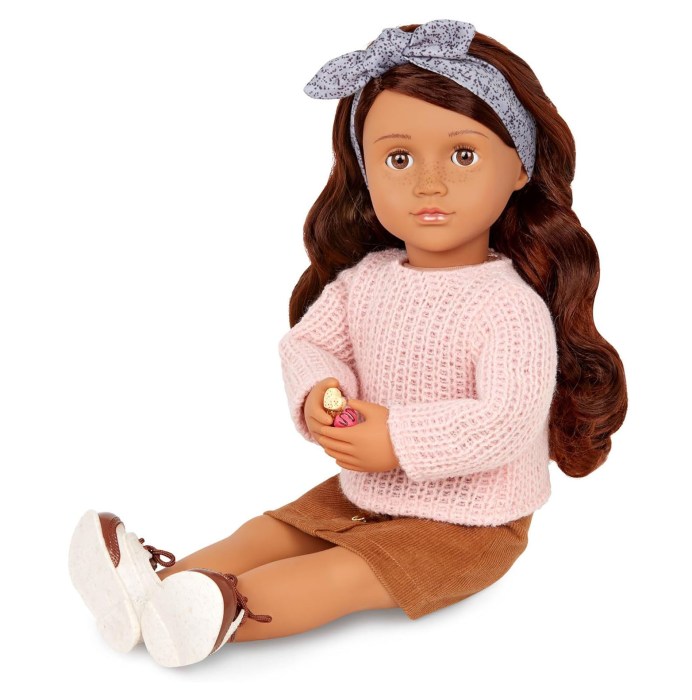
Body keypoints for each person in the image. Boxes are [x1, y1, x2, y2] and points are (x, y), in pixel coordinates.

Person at [68, 19, 628, 668]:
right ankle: (151, 591)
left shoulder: (509, 306)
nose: (429, 184)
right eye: (399, 159)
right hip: (369, 491)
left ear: (520, 166)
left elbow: (506, 420)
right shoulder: (367, 281)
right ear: (366, 171)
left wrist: (398, 439)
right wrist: (320, 394)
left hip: (472, 524)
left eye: (463, 155)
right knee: (270, 531)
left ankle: (219, 611)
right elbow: (308, 345)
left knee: (345, 573)